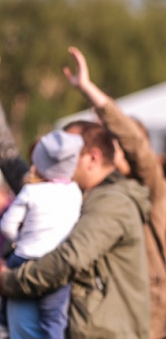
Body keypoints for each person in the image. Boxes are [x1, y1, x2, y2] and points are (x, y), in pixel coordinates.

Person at [63, 46, 166, 338]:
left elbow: (135, 144)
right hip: (113, 323)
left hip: (155, 324)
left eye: (115, 139)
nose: (111, 144)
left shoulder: (150, 190)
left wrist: (88, 90)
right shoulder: (93, 193)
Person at [0, 120, 151, 338]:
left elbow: (68, 259)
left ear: (93, 158)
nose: (58, 160)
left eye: (67, 153)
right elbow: (12, 163)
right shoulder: (78, 195)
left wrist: (8, 280)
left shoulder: (112, 202)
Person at [0, 130, 83, 338]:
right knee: (54, 319)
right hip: (56, 263)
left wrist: (20, 239)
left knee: (7, 291)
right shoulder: (75, 192)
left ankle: (2, 323)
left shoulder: (31, 191)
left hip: (24, 258)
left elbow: (7, 225)